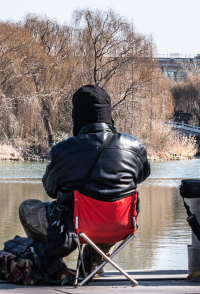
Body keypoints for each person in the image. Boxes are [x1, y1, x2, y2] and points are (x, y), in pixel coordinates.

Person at [18, 84, 151, 277]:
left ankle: (54, 266)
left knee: (27, 207)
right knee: (111, 211)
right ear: (108, 113)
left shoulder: (62, 151)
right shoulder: (135, 147)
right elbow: (141, 176)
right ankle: (93, 264)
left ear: (77, 116)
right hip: (120, 225)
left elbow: (51, 189)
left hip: (74, 229)